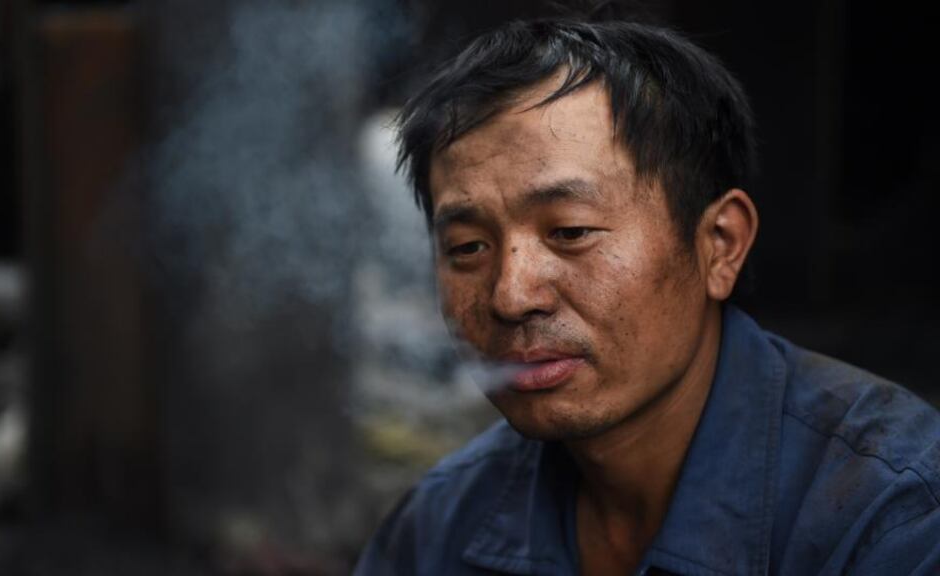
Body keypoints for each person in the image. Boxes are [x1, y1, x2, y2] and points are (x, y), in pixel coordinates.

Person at [354, 17, 940, 576]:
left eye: (571, 232)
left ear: (720, 245)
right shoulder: (441, 528)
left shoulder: (892, 516)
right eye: (468, 248)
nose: (512, 296)